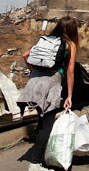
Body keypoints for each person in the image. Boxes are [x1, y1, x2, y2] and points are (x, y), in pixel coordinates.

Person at [17, 16, 78, 149]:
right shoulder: (70, 45)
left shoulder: (46, 40)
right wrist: (69, 96)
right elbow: (70, 72)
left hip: (34, 80)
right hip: (52, 82)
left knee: (42, 117)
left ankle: (40, 151)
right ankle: (37, 158)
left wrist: (33, 70)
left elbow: (25, 55)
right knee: (48, 121)